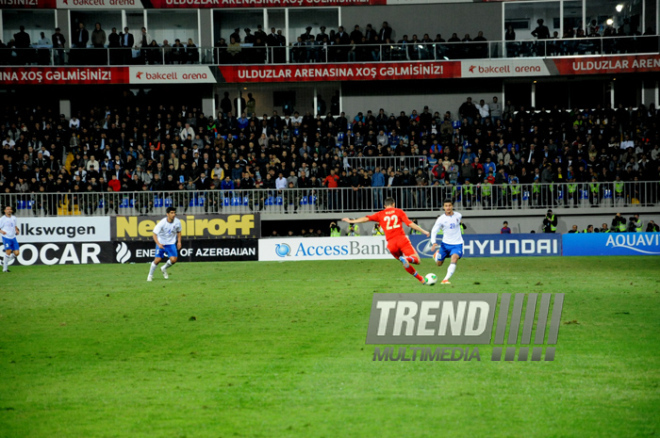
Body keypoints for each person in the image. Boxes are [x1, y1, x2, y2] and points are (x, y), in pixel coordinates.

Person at [342, 197, 431, 285]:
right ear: (393, 204)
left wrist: (351, 221)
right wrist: (423, 231)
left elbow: (366, 219)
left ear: (384, 206)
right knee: (416, 260)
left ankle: (421, 280)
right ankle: (407, 258)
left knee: (404, 263)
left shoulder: (380, 214)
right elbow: (409, 223)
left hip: (391, 244)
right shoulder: (399, 211)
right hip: (401, 239)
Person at [430, 199, 464, 285]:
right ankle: (436, 255)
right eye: (446, 206)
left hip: (457, 244)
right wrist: (433, 242)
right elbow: (434, 230)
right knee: (439, 263)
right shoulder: (441, 219)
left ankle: (445, 279)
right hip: (445, 245)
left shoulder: (458, 215)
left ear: (452, 206)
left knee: (454, 258)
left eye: (449, 205)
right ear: (443, 207)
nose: (448, 207)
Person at [147, 206, 182, 282]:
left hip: (171, 243)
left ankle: (164, 268)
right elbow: (154, 234)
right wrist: (158, 244)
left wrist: (179, 241)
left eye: (174, 213)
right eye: (172, 213)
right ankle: (150, 275)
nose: (174, 214)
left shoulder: (177, 222)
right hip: (161, 243)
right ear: (167, 214)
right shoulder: (162, 223)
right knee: (157, 260)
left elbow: (179, 231)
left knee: (174, 260)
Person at [1, 205, 20, 273]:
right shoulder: (2, 219)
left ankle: (4, 261)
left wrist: (17, 230)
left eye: (10, 209)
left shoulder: (14, 218)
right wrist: (1, 231)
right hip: (6, 237)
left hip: (13, 237)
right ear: (5, 211)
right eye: (7, 209)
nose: (9, 210)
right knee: (8, 252)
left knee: (17, 253)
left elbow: (15, 226)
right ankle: (5, 269)